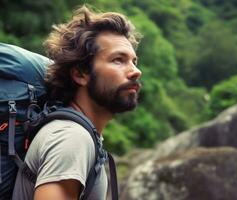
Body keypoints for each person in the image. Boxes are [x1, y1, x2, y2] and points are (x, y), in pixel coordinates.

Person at [12, 5, 142, 200]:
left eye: (134, 61)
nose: (135, 71)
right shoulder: (72, 139)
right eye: (118, 60)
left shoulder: (81, 136)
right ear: (80, 74)